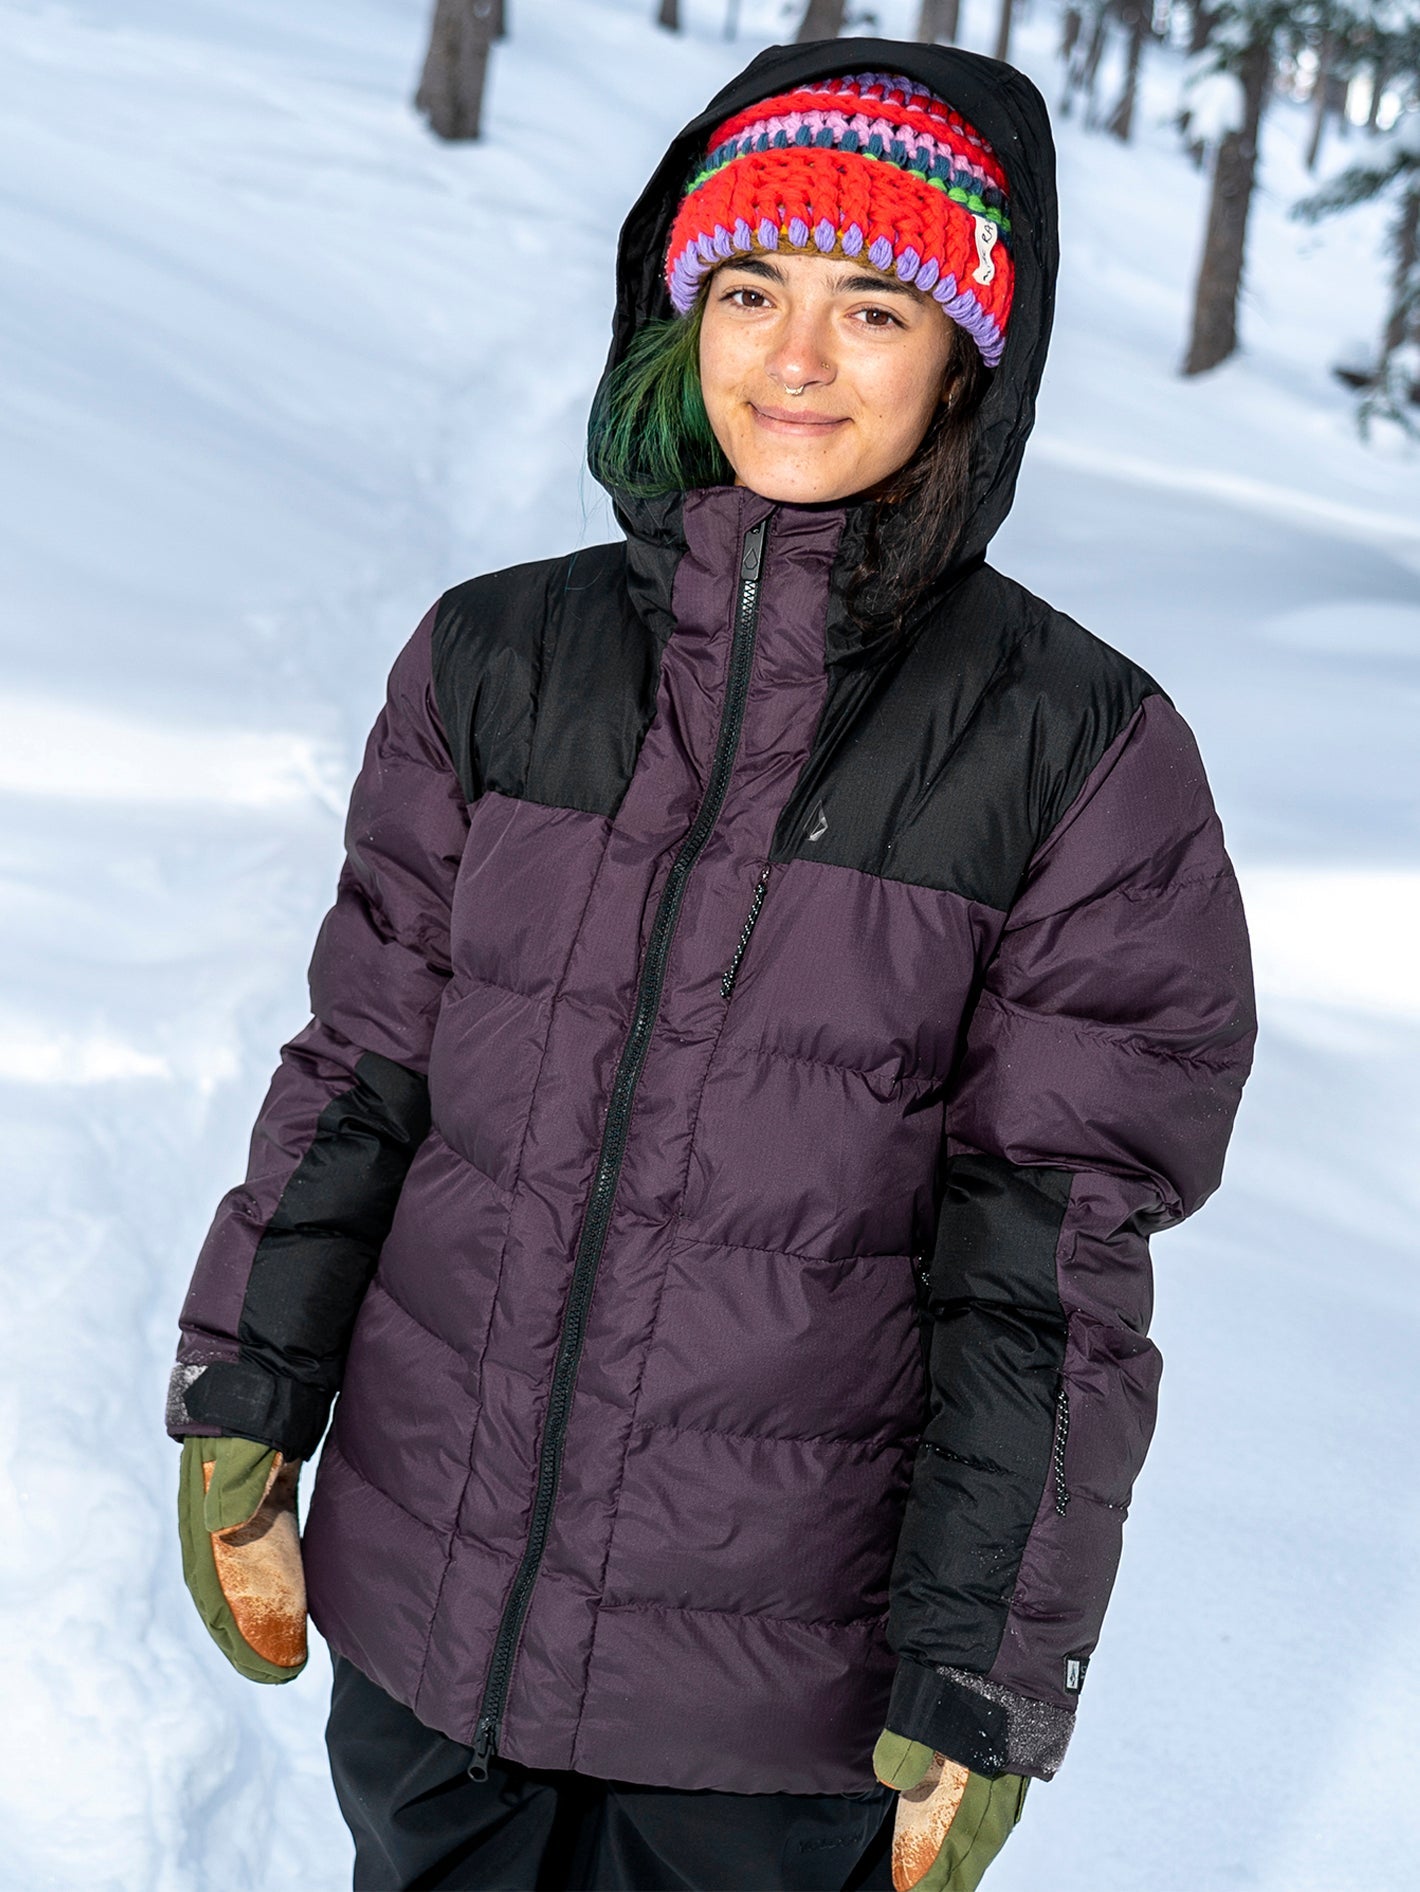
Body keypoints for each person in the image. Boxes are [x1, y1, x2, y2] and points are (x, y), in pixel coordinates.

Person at [167, 38, 1257, 1892]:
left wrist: (989, 1665)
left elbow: (1054, 1264)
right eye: (751, 289)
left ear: (969, 359)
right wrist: (246, 1393)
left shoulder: (1079, 754)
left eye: (874, 307)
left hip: (772, 1719)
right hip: (430, 1627)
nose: (796, 359)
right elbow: (362, 1066)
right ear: (683, 314)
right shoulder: (492, 660)